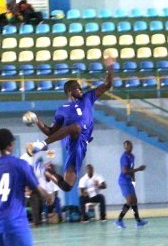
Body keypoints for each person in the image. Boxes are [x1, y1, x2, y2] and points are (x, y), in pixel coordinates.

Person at [26, 53, 115, 192]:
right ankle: (42, 145)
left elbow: (108, 84)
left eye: (80, 87)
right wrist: (37, 120)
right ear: (69, 91)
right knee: (75, 127)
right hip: (73, 139)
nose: (80, 89)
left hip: (82, 144)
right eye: (76, 87)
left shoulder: (87, 98)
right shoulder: (62, 110)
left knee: (67, 186)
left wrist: (110, 66)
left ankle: (45, 171)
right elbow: (50, 131)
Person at [115, 140, 149, 228]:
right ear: (125, 147)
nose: (131, 147)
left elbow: (131, 169)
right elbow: (125, 171)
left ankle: (138, 222)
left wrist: (133, 180)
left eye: (131, 145)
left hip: (129, 181)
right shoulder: (124, 157)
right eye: (128, 145)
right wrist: (139, 169)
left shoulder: (132, 156)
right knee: (129, 201)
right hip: (123, 181)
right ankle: (119, 220)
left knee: (134, 201)